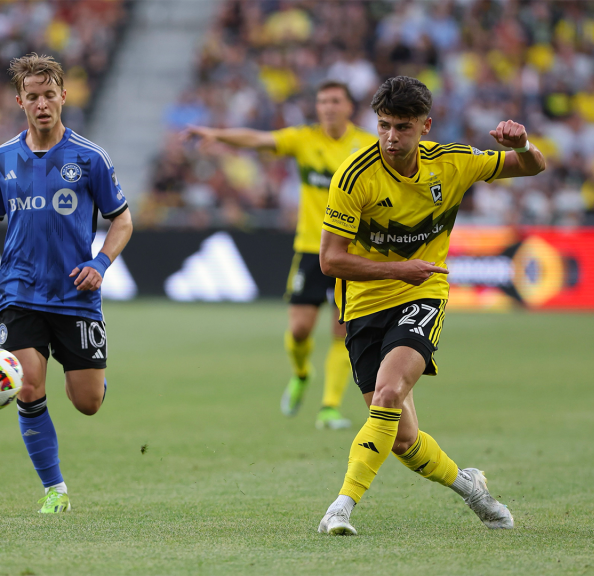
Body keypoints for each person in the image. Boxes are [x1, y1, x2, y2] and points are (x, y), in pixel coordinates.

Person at [316, 76, 546, 535]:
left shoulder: (454, 162)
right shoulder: (354, 176)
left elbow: (532, 167)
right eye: (383, 126)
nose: (390, 137)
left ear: (426, 126)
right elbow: (330, 260)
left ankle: (340, 507)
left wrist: (523, 144)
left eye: (402, 127)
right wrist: (401, 269)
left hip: (422, 294)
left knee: (386, 395)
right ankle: (471, 487)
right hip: (364, 304)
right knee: (401, 439)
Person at [0, 53, 133, 515]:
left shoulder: (90, 157)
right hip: (19, 291)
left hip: (77, 294)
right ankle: (54, 489)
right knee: (28, 385)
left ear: (64, 95)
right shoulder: (1, 160)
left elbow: (123, 222)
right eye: (32, 97)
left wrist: (100, 262)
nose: (42, 104)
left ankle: (93, 381)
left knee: (88, 403)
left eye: (49, 95)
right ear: (20, 101)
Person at [183, 81, 376, 429]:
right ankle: (302, 374)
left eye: (335, 101)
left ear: (350, 107)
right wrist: (218, 134)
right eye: (322, 101)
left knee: (342, 332)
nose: (328, 107)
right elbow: (258, 139)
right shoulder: (304, 139)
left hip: (352, 251)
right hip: (310, 248)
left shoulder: (368, 145)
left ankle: (329, 408)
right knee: (300, 329)